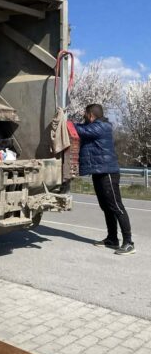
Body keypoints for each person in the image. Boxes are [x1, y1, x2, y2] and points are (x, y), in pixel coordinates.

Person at [75, 104, 134, 255]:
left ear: (91, 115)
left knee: (116, 207)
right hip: (98, 172)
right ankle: (112, 239)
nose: (83, 116)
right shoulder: (95, 126)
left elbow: (81, 130)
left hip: (108, 173)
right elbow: (83, 128)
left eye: (85, 114)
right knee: (106, 207)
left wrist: (66, 123)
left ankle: (129, 242)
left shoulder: (101, 127)